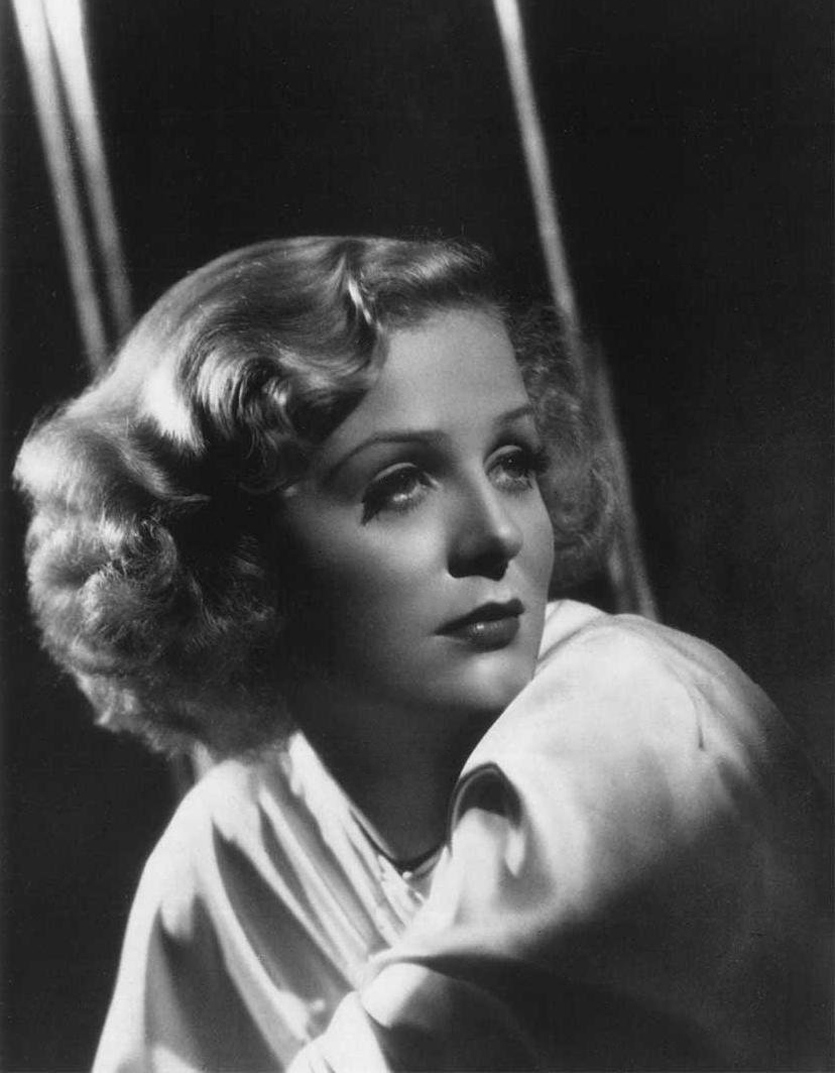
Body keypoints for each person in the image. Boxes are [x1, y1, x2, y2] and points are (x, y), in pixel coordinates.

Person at [14, 235, 831, 1072]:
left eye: (512, 462)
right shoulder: (234, 853)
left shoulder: (640, 714)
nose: (497, 532)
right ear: (228, 561)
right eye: (398, 484)